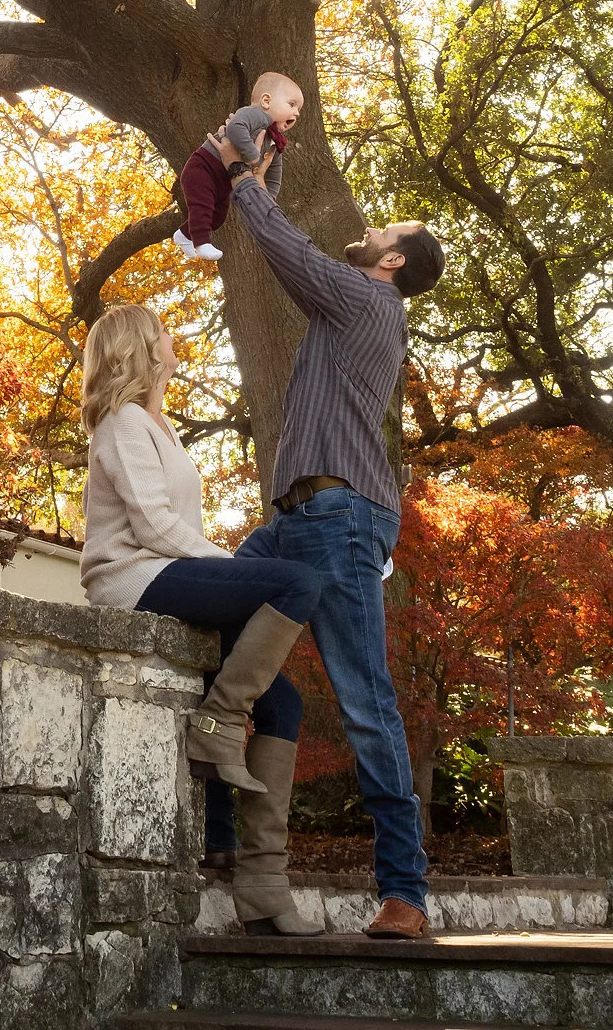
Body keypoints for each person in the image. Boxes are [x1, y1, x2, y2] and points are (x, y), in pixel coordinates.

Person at [211, 128, 446, 940]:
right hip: (297, 521)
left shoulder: (367, 297)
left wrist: (246, 177)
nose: (377, 229)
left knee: (365, 699)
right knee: (210, 620)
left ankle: (405, 895)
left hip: (341, 521)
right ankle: (236, 831)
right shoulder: (359, 304)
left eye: (390, 232)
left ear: (392, 263)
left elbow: (290, 254)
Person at [79, 304, 325, 928]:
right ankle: (218, 718)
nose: (173, 337)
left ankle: (255, 873)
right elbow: (153, 526)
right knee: (297, 582)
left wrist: (230, 570)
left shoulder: (157, 424)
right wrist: (234, 568)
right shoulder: (122, 421)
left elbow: (174, 525)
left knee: (285, 704)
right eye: (163, 330)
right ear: (142, 347)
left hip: (167, 570)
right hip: (131, 577)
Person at [174, 71, 303, 261]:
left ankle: (184, 235)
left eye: (298, 109)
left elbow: (274, 172)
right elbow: (235, 128)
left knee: (217, 217)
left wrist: (270, 197)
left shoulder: (273, 139)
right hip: (203, 168)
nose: (297, 112)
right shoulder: (254, 114)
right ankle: (201, 243)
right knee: (202, 207)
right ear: (266, 101)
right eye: (291, 104)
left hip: (222, 183)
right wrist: (252, 155)